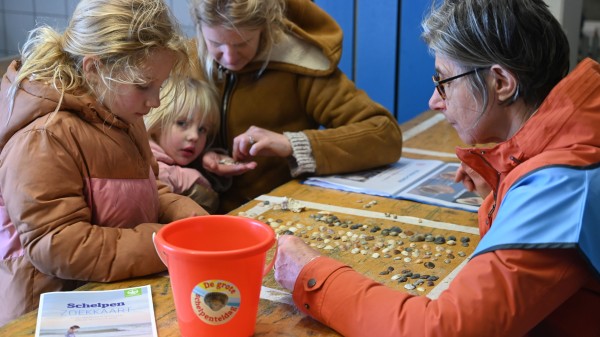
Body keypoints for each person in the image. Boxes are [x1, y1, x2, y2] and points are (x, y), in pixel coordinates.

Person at [273, 0, 600, 336]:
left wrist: (312, 276)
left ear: (501, 83)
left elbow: (441, 330)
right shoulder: (576, 141)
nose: (434, 100)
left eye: (445, 81)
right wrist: (505, 185)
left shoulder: (563, 186)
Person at [0, 0, 207, 325]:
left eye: (160, 86)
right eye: (143, 86)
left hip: (115, 293)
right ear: (94, 69)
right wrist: (163, 244)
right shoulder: (45, 135)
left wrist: (180, 211)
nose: (154, 103)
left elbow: (142, 185)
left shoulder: (121, 109)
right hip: (50, 311)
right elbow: (56, 243)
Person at [190, 0, 404, 213]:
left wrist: (293, 144)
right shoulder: (185, 63)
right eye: (216, 44)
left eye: (242, 43)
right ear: (199, 29)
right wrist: (200, 156)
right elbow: (158, 147)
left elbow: (386, 135)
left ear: (266, 26)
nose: (229, 57)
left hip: (276, 211)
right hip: (198, 213)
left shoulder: (301, 66)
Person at [145, 75, 221, 213]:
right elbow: (157, 176)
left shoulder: (176, 155)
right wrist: (189, 176)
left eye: (202, 129)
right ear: (157, 123)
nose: (194, 136)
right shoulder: (146, 157)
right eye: (182, 123)